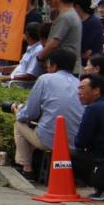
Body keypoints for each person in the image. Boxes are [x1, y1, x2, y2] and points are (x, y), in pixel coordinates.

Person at [13, 49, 84, 179]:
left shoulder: (45, 79)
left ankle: (26, 169)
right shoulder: (79, 83)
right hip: (75, 144)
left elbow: (29, 113)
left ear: (54, 65)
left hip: (49, 142)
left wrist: (17, 111)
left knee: (19, 124)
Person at [73, 74, 104, 200]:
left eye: (82, 88)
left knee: (67, 157)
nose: (79, 92)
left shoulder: (93, 108)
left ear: (96, 90)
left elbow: (81, 142)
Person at [39, 0, 81, 68]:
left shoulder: (65, 17)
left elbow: (54, 44)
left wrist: (40, 57)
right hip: (69, 65)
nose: (47, 1)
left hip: (63, 65)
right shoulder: (71, 14)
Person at [0, 23, 45, 89]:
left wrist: (9, 77)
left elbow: (32, 75)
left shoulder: (38, 50)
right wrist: (3, 69)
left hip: (19, 85)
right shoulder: (31, 47)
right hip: (12, 81)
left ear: (27, 34)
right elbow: (22, 65)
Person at [76, 0, 104, 64]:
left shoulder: (93, 22)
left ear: (77, 6)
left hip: (91, 64)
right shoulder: (77, 20)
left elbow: (83, 46)